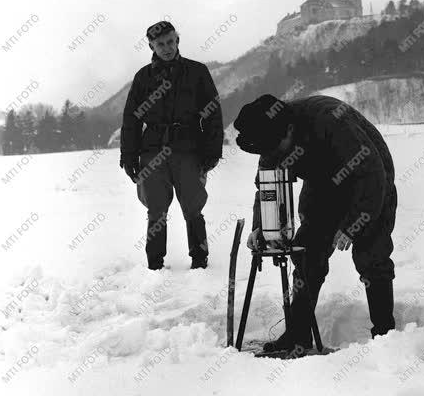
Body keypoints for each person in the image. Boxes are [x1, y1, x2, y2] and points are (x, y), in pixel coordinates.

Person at [234, 94, 397, 353]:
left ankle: (385, 335)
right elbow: (267, 187)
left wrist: (352, 225)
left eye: (276, 148)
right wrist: (262, 226)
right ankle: (298, 335)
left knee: (371, 254)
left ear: (289, 129)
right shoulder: (270, 136)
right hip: (322, 184)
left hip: (372, 180)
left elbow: (370, 173)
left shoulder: (331, 121)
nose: (273, 154)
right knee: (307, 252)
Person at [120, 21, 223, 270]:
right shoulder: (143, 77)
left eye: (170, 42)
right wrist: (129, 155)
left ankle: (200, 260)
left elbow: (213, 113)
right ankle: (155, 264)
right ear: (151, 46)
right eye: (160, 44)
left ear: (177, 41)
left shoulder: (197, 72)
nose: (166, 48)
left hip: (188, 150)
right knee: (155, 210)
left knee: (193, 207)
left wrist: (212, 150)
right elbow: (131, 119)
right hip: (152, 151)